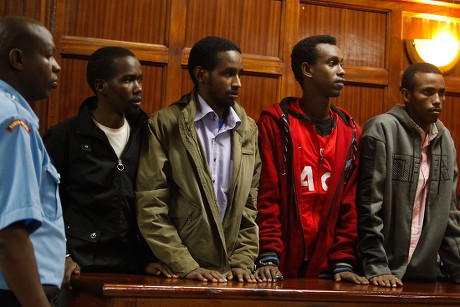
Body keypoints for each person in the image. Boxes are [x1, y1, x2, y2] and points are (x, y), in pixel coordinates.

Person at [43, 46, 175, 289]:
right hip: (79, 267)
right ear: (101, 86)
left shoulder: (147, 135)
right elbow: (45, 203)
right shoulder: (65, 137)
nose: (139, 88)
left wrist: (146, 258)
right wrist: (62, 256)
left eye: (139, 79)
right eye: (128, 80)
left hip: (131, 268)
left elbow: (151, 201)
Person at [136, 36, 260, 283]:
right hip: (178, 273)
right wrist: (185, 265)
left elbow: (249, 206)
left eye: (239, 74)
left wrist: (242, 262)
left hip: (230, 278)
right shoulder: (164, 124)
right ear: (202, 75)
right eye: (228, 74)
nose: (238, 83)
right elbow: (151, 204)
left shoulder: (248, 129)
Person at [255, 35, 368, 284]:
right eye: (332, 63)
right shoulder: (275, 124)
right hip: (279, 267)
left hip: (331, 271)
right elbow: (266, 196)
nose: (342, 71)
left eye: (341, 63)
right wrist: (268, 255)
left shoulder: (351, 132)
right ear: (307, 70)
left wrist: (343, 261)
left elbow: (350, 204)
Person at [357, 62, 460, 287]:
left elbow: (449, 214)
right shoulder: (382, 128)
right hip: (379, 273)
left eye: (442, 93)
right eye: (428, 92)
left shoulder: (445, 139)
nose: (438, 100)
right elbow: (368, 206)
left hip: (424, 274)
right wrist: (376, 266)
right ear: (406, 95)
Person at [0, 16, 66, 307]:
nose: (56, 66)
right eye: (48, 55)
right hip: (13, 292)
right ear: (17, 59)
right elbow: (9, 234)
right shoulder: (15, 122)